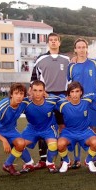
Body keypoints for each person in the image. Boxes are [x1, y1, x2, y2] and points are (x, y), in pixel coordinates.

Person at [30, 32, 70, 169]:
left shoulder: (67, 59)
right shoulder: (40, 59)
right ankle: (43, 159)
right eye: (51, 40)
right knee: (43, 126)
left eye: (56, 40)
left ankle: (63, 158)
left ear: (59, 42)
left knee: (62, 126)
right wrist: (38, 93)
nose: (53, 42)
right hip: (45, 97)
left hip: (62, 97)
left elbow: (71, 78)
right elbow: (34, 79)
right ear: (48, 43)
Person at [67, 38, 96, 169]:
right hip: (77, 103)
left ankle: (95, 158)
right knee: (77, 128)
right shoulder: (71, 66)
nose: (81, 50)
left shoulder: (94, 63)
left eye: (83, 47)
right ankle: (77, 160)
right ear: (75, 49)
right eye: (79, 47)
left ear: (87, 48)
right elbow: (69, 83)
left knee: (94, 129)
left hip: (92, 103)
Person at [0, 83, 28, 179]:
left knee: (21, 143)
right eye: (16, 93)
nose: (19, 96)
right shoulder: (3, 105)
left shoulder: (24, 103)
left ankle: (8, 165)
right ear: (11, 94)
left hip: (10, 129)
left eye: (21, 94)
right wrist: (4, 140)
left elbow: (36, 98)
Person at [57, 82, 96, 173]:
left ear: (81, 92)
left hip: (84, 131)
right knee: (60, 144)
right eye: (72, 92)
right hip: (69, 132)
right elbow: (53, 98)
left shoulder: (86, 101)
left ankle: (88, 160)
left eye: (77, 91)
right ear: (69, 93)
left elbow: (95, 95)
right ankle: (66, 161)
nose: (75, 94)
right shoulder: (62, 104)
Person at [20, 80, 60, 174]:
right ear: (30, 91)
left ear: (44, 91)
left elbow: (66, 101)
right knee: (18, 144)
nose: (37, 93)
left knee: (53, 145)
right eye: (35, 90)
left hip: (48, 128)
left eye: (40, 90)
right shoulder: (25, 103)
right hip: (32, 129)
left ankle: (50, 164)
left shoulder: (52, 100)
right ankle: (29, 163)